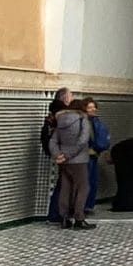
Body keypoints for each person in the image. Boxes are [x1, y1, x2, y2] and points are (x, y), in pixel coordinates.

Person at [48, 98, 96, 231]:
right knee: (83, 188)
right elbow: (83, 141)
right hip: (79, 160)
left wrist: (59, 155)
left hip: (64, 162)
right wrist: (69, 155)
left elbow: (53, 141)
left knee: (66, 188)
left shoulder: (61, 120)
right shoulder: (83, 120)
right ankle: (79, 218)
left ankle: (64, 218)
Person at [41, 87, 74, 222]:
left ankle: (58, 212)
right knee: (64, 183)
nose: (72, 98)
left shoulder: (53, 114)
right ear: (65, 98)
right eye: (71, 96)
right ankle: (57, 213)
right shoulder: (62, 114)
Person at [82, 97, 112, 213]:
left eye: (94, 107)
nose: (93, 109)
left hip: (93, 156)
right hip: (85, 157)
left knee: (92, 181)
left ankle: (88, 205)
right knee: (86, 182)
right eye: (90, 107)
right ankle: (83, 206)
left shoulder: (96, 122)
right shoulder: (85, 122)